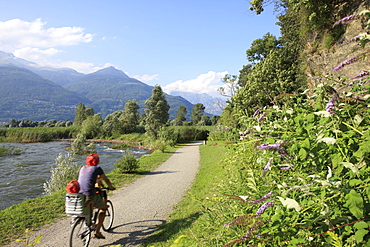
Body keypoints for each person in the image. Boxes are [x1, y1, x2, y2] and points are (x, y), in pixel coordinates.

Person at [78, 153, 115, 239]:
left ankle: (89, 221)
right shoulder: (97, 168)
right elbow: (106, 179)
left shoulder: (83, 168)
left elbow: (92, 179)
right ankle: (97, 232)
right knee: (103, 208)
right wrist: (110, 187)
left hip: (80, 194)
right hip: (90, 194)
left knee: (91, 206)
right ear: (97, 161)